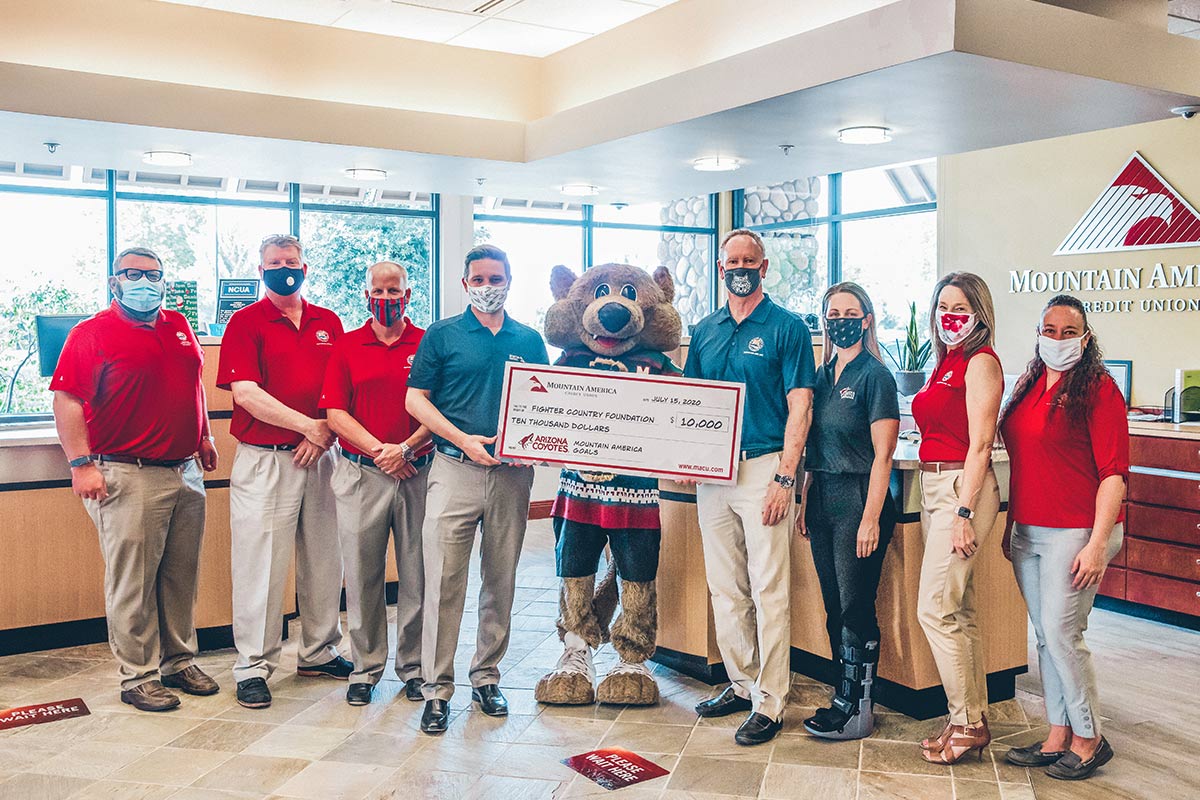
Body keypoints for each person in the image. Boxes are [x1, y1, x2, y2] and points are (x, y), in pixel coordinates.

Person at [52, 246, 220, 712]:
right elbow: (66, 400)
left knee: (180, 576)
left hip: (184, 471)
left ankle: (178, 661)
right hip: (127, 472)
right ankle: (138, 675)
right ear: (114, 282)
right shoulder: (91, 333)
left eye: (153, 275)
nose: (144, 282)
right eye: (133, 274)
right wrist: (81, 463)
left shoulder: (179, 326)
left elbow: (193, 387)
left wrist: (204, 435)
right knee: (134, 582)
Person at [405, 244, 549, 735]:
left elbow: (545, 404)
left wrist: (545, 441)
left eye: (497, 278)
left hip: (512, 476)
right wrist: (460, 437)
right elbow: (415, 400)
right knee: (443, 582)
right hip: (454, 470)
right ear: (465, 283)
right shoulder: (442, 334)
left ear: (510, 280)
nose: (489, 286)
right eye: (480, 279)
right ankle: (436, 690)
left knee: (500, 580)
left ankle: (487, 676)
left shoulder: (529, 339)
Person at [684, 228, 815, 746]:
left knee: (769, 588)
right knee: (725, 586)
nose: (739, 268)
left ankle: (771, 700)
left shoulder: (787, 328)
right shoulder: (705, 329)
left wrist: (786, 476)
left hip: (764, 469)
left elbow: (800, 405)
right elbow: (692, 402)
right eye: (731, 261)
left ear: (764, 268)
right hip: (713, 476)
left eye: (749, 260)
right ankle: (740, 684)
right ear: (721, 270)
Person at [218, 233, 351, 710]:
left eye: (291, 261)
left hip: (322, 459)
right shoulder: (246, 322)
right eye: (274, 263)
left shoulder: (328, 322)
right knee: (261, 564)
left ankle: (318, 650)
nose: (284, 268)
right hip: (267, 458)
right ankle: (253, 665)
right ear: (261, 270)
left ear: (305, 267)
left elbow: (342, 387)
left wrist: (327, 435)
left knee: (324, 557)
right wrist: (309, 428)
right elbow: (246, 394)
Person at [998, 294, 1126, 781]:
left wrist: (1096, 544)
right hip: (1028, 530)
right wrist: (1011, 525)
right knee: (1047, 639)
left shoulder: (1098, 389)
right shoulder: (1029, 386)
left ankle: (1089, 738)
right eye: (1048, 330)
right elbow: (1023, 462)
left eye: (1068, 332)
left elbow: (1114, 475)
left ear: (1085, 337)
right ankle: (1058, 734)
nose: (1056, 340)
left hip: (1077, 531)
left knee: (1063, 634)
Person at [320, 261, 433, 707]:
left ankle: (414, 668)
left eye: (395, 291)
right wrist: (381, 452)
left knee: (417, 576)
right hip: (361, 474)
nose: (386, 299)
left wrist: (404, 449)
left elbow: (438, 410)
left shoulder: (427, 344)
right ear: (366, 294)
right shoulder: (347, 346)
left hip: (417, 472)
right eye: (378, 291)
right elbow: (335, 413)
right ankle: (365, 668)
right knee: (362, 574)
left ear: (409, 294)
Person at [910, 271, 1004, 765]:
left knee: (934, 609)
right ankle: (970, 718)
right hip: (934, 485)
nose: (950, 314)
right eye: (943, 305)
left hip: (960, 490)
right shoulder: (945, 360)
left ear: (979, 313)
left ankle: (965, 721)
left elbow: (982, 445)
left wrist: (964, 511)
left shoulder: (981, 362)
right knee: (958, 608)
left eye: (960, 306)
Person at [798, 282, 899, 740]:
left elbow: (884, 456)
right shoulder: (821, 376)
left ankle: (860, 707)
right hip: (823, 500)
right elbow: (812, 445)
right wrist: (804, 499)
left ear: (866, 319)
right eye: (832, 312)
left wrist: (871, 518)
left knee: (855, 610)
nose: (840, 319)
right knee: (833, 608)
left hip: (860, 499)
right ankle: (842, 697)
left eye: (849, 312)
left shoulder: (875, 376)